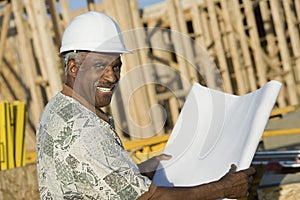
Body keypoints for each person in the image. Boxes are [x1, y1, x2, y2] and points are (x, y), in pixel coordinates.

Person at [36, 11, 255, 200]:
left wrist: (138, 170)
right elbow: (149, 198)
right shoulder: (83, 129)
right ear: (74, 68)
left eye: (116, 66)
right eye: (100, 66)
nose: (111, 77)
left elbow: (89, 180)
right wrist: (224, 188)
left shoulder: (58, 108)